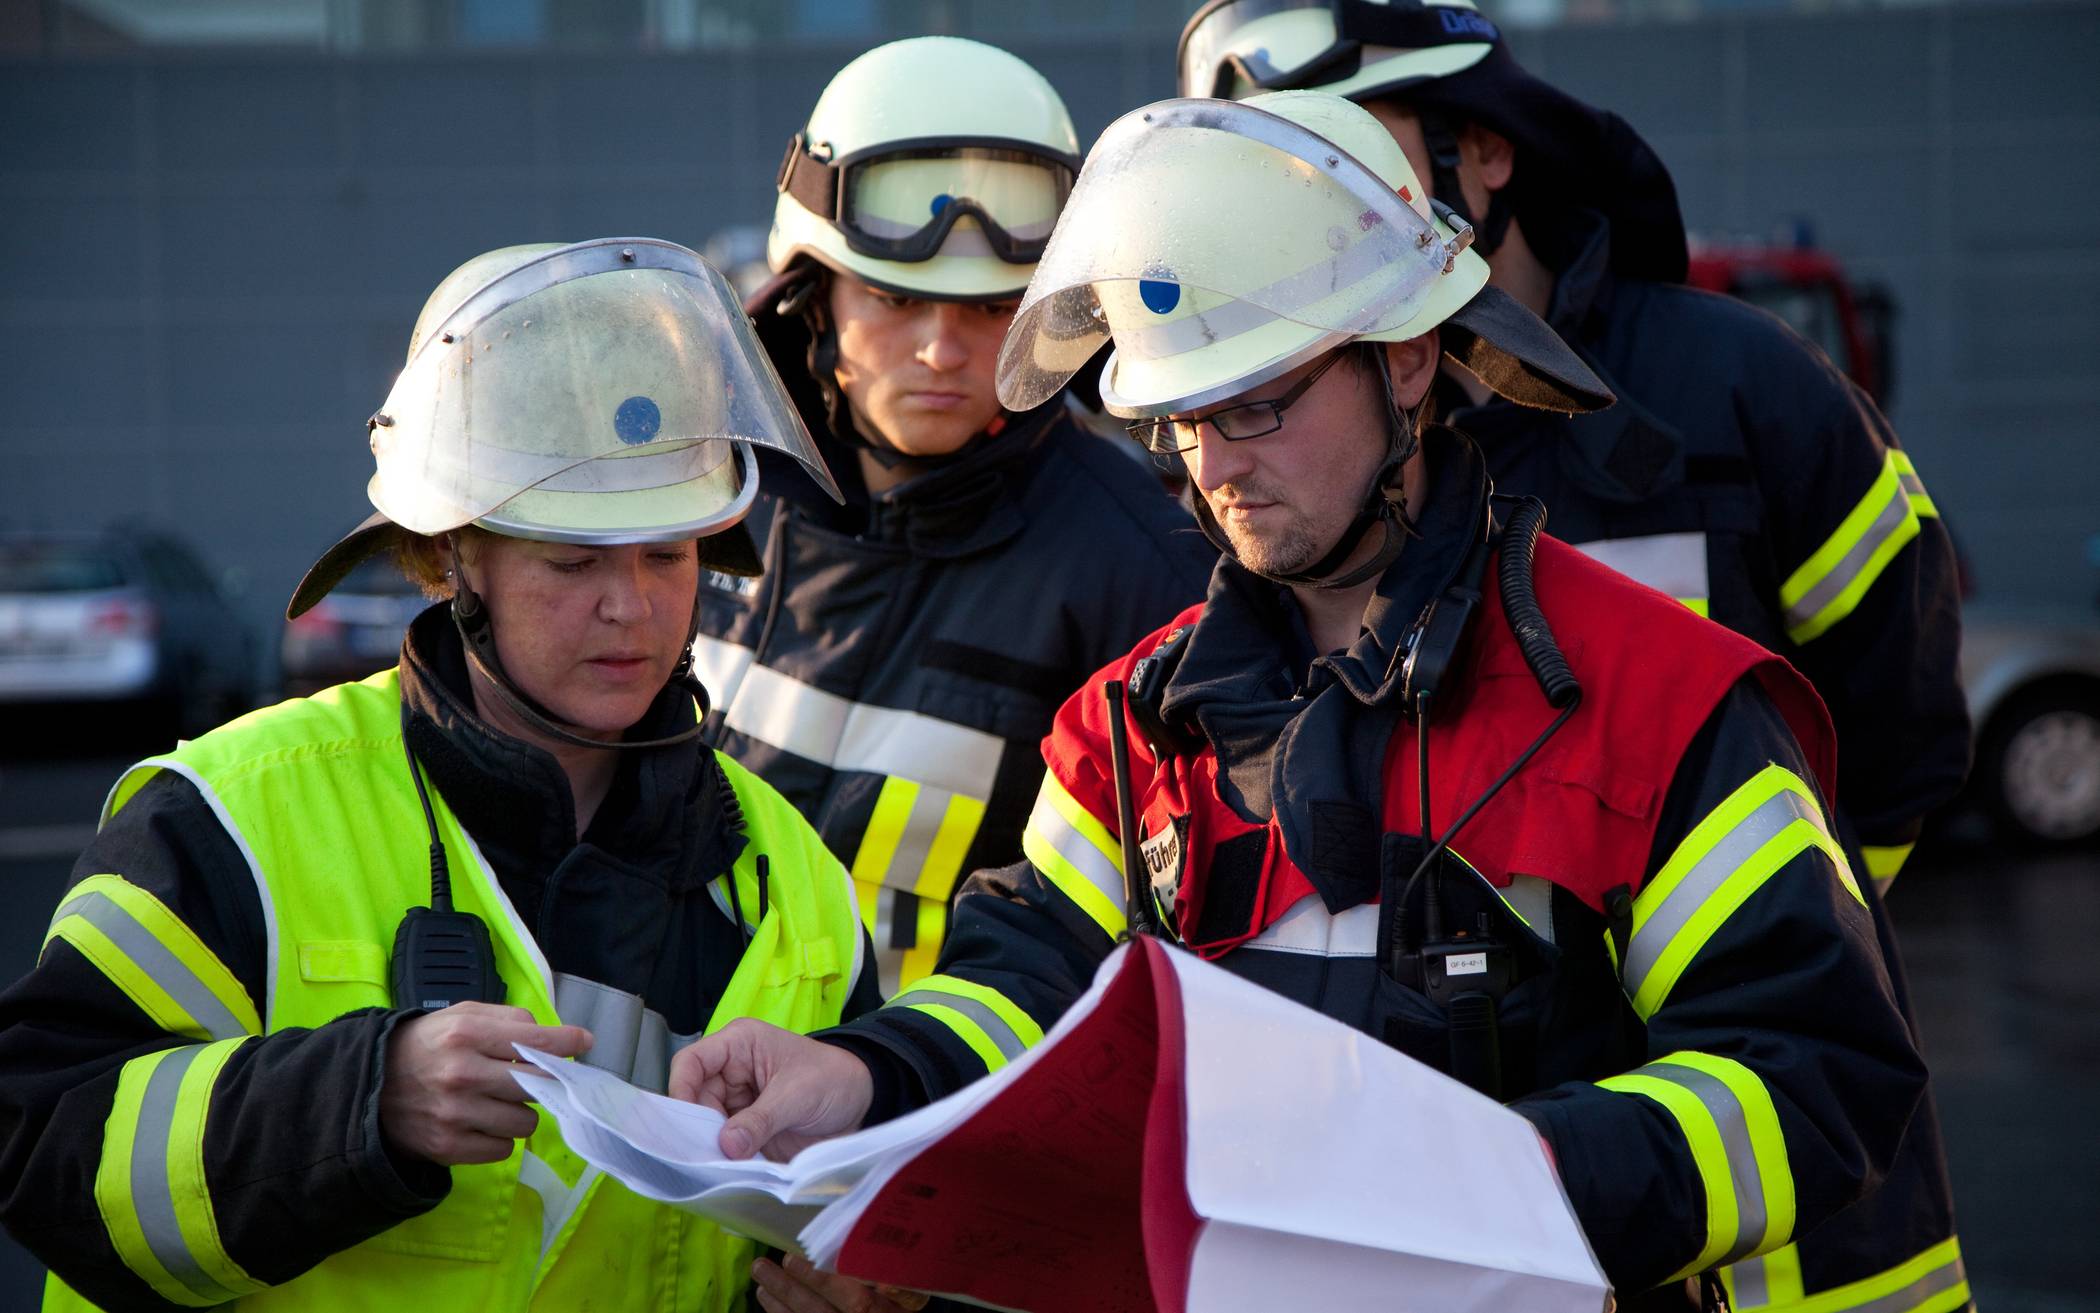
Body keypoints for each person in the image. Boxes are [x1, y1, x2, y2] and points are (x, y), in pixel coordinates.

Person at [671, 93, 1934, 1311]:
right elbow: (1027, 981)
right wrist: (867, 1071)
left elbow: (1814, 1073)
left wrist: (1493, 1177)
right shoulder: (1132, 725)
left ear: (1408, 358)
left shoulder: (1658, 702)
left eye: (1259, 403)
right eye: (1181, 419)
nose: (1215, 467)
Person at [1177, 6, 1971, 1308]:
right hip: (1453, 1212)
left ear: (1484, 151)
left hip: (1797, 1215)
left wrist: (1773, 909)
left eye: (1349, 156)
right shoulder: (1284, 478)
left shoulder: (1743, 391)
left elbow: (1903, 718)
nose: (1312, 221)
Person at [0, 238, 881, 1312]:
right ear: (453, 557)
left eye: (667, 555)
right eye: (574, 561)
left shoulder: (797, 881)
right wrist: (358, 1100)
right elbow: (37, 1140)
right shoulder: (230, 815)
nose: (631, 607)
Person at [695, 35, 1215, 1002]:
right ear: (814, 296)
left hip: (933, 1114)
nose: (942, 350)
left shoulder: (1144, 572)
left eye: (990, 309)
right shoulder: (705, 488)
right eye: (895, 298)